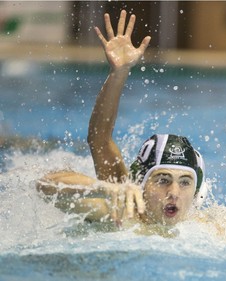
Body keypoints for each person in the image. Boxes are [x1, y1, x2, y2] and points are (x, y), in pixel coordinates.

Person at [37, 10, 207, 227]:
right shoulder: (117, 214)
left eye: (185, 182)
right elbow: (44, 183)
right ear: (140, 184)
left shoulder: (206, 229)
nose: (174, 193)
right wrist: (106, 189)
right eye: (163, 179)